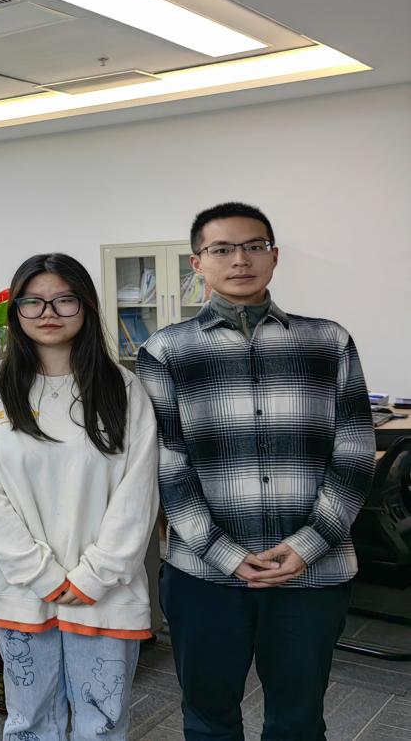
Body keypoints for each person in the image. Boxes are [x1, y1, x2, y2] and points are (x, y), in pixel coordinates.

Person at [137, 202, 376, 741]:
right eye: (221, 249)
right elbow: (168, 466)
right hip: (204, 575)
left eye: (253, 246)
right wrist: (224, 553)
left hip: (313, 573)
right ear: (197, 263)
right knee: (208, 718)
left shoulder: (329, 341)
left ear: (274, 256)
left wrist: (309, 544)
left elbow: (355, 452)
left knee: (297, 719)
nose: (239, 260)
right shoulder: (166, 350)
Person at [0, 253, 159, 741]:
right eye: (34, 301)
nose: (49, 312)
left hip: (105, 590)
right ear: (16, 311)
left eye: (65, 300)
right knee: (30, 724)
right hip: (23, 588)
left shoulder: (122, 388)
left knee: (102, 726)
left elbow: (137, 494)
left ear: (86, 306)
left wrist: (94, 575)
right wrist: (40, 574)